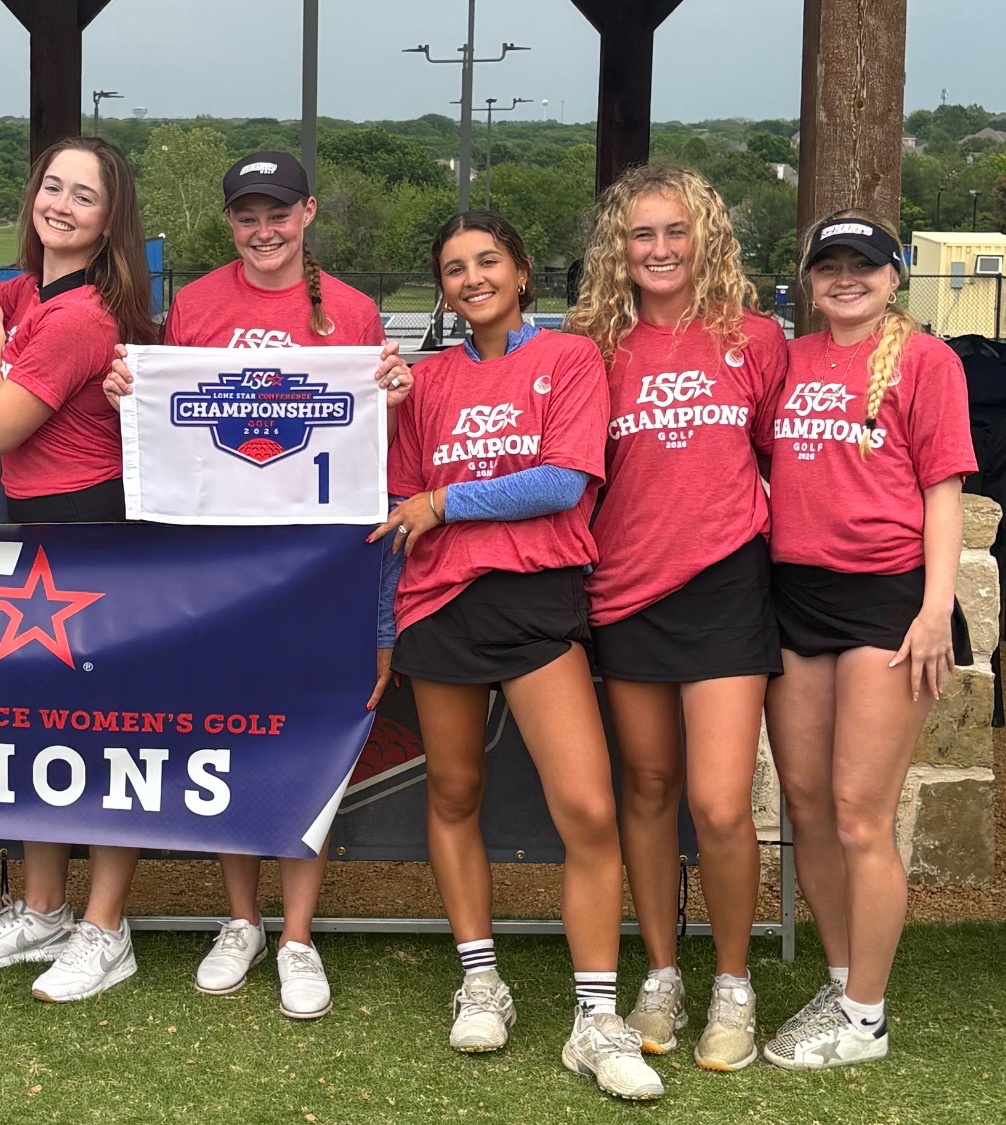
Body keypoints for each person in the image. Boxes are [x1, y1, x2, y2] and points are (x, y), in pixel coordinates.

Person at [372, 212, 663, 1101]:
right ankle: (481, 977)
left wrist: (445, 499)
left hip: (536, 602)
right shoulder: (423, 382)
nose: (471, 278)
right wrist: (386, 635)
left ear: (523, 270)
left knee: (586, 805)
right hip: (439, 607)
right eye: (453, 268)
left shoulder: (570, 360)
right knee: (454, 792)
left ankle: (595, 1014)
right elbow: (395, 510)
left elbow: (561, 483)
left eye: (487, 260)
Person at [97, 151, 393, 1020]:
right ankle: (243, 919)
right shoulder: (195, 305)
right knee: (230, 736)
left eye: (277, 213)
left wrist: (395, 392)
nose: (262, 231)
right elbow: (171, 418)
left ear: (307, 214)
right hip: (221, 566)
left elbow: (372, 429)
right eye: (245, 216)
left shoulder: (355, 309)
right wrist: (131, 390)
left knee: (304, 744)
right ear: (231, 222)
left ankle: (298, 934)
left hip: (316, 564)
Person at [563, 164, 788, 1071]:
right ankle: (661, 968)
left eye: (674, 231)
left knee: (719, 800)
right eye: (639, 234)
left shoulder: (755, 339)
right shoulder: (590, 347)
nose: (657, 249)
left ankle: (733, 982)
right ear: (618, 247)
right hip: (624, 590)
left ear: (705, 238)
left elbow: (791, 452)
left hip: (727, 585)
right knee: (647, 790)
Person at [0, 136, 160, 1004]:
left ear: (110, 222)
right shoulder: (33, 289)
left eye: (84, 196)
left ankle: (107, 928)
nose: (61, 203)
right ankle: (43, 908)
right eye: (51, 187)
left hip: (87, 530)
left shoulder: (82, 315)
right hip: (31, 532)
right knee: (37, 726)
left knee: (100, 737)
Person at [760, 211, 975, 1069]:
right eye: (829, 267)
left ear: (895, 277)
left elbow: (944, 492)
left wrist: (934, 609)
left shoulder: (929, 360)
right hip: (794, 596)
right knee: (805, 806)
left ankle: (867, 1019)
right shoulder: (792, 359)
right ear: (808, 281)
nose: (845, 279)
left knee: (859, 815)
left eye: (863, 266)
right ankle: (845, 982)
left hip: (887, 600)